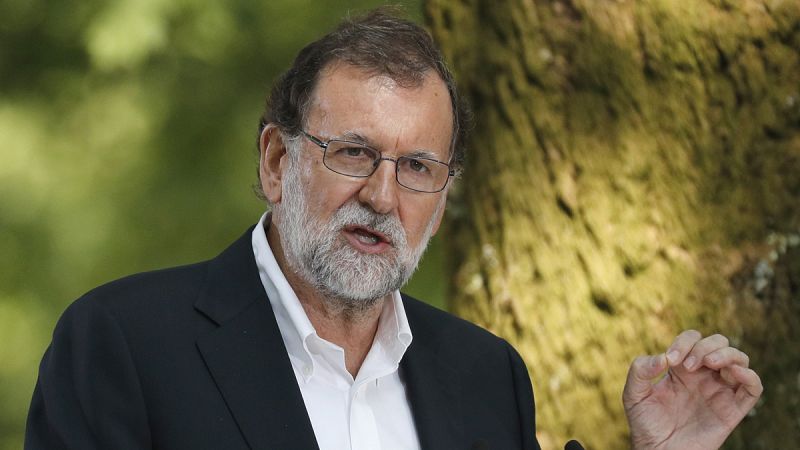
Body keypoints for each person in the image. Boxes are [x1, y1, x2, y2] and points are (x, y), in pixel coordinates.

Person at [25, 9, 762, 450]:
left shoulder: (487, 376)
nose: (382, 196)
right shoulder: (122, 343)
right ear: (277, 160)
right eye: (353, 153)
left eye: (417, 167)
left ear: (442, 197)